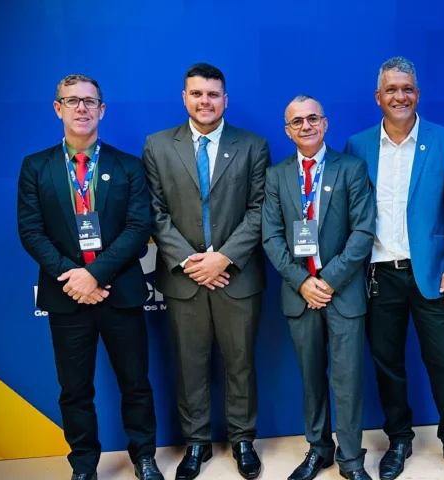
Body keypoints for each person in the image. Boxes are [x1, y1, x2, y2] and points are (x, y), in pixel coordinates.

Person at [17, 74, 163, 480]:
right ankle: (84, 465)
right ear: (57, 108)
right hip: (67, 297)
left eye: (89, 101)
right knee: (75, 389)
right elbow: (30, 231)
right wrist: (74, 278)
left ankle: (144, 457)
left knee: (136, 383)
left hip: (121, 292)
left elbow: (138, 229)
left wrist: (95, 275)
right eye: (72, 100)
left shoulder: (128, 166)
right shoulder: (36, 167)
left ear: (102, 109)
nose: (81, 108)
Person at [344, 56, 444, 480]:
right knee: (388, 363)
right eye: (391, 89)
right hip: (379, 275)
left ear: (417, 94)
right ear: (378, 96)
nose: (399, 96)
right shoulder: (357, 146)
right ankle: (399, 439)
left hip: (433, 274)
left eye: (407, 89)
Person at [142, 63, 270, 480]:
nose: (205, 101)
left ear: (225, 99)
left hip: (238, 277)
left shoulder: (253, 145)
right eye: (197, 94)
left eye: (213, 94)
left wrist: (224, 258)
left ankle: (243, 439)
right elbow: (155, 212)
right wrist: (192, 262)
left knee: (241, 363)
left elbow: (260, 209)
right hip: (185, 279)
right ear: (184, 98)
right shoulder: (158, 146)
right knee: (189, 364)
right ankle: (196, 442)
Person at [262, 95, 376, 480]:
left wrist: (326, 281)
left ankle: (351, 459)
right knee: (311, 379)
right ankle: (318, 449)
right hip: (300, 296)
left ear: (325, 124)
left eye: (313, 118)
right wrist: (302, 282)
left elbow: (363, 232)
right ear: (287, 131)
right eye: (297, 121)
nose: (306, 126)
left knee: (347, 381)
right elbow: (271, 236)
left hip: (343, 293)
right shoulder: (277, 176)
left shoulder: (352, 169)